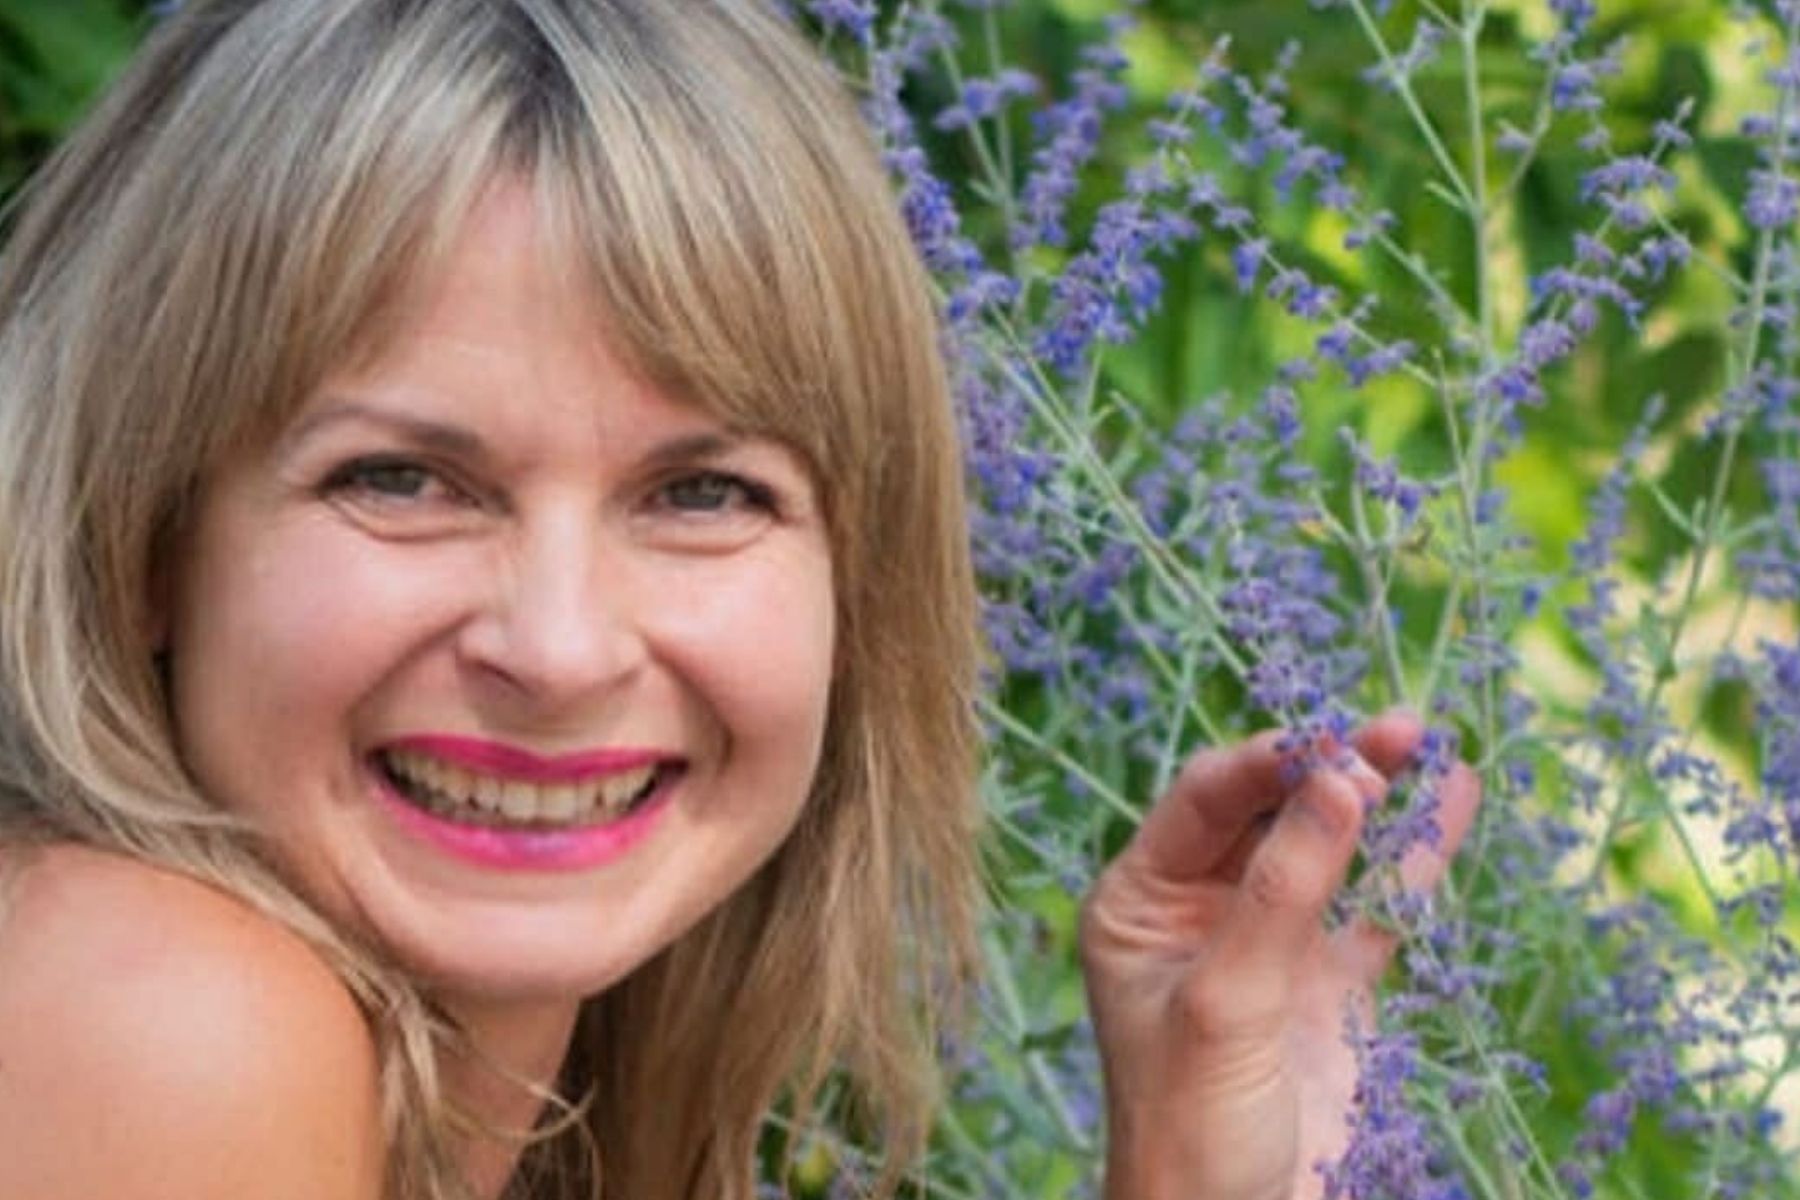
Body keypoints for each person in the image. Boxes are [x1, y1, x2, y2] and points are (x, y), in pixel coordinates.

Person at [0, 2, 1478, 1198]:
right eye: (402, 480)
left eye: (702, 495)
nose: (562, 646)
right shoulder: (150, 1010)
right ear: (140, 538)